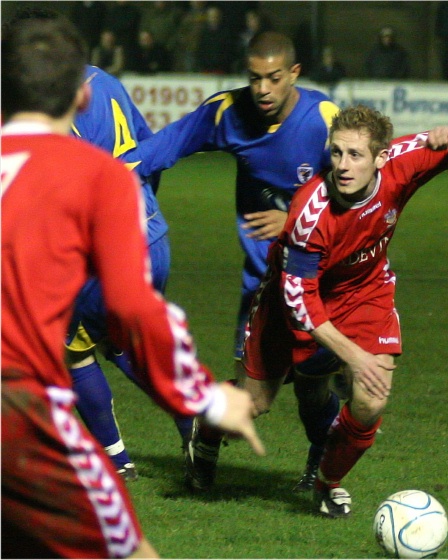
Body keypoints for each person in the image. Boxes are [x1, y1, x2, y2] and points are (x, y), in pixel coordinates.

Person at [1, 15, 264, 559]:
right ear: (80, 95)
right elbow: (135, 307)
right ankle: (170, 435)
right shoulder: (97, 177)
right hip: (21, 413)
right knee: (131, 550)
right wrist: (208, 398)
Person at [239, 105, 448, 517]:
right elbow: (298, 302)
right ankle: (204, 432)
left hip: (365, 292)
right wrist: (354, 356)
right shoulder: (311, 213)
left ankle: (327, 481)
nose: (343, 166)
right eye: (337, 153)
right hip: (292, 305)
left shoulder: (403, 160)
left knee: (371, 401)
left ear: (381, 158)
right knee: (253, 405)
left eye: (356, 155)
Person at [119, 31, 340, 493]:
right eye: (255, 78)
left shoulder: (323, 120)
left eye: (273, 78)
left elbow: (358, 192)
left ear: (294, 74)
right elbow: (159, 150)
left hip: (321, 282)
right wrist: (95, 177)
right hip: (265, 286)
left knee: (314, 383)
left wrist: (295, 219)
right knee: (254, 399)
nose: (262, 89)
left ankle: (322, 472)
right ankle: (205, 439)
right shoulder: (228, 112)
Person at [67, 62, 179, 481]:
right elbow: (150, 153)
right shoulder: (106, 80)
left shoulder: (44, 103)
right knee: (121, 343)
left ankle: (117, 462)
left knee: (73, 351)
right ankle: (192, 425)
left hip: (108, 252)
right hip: (154, 237)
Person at [195, 5, 234, 74]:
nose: (213, 18)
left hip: (221, 70)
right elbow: (200, 51)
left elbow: (229, 51)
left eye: (216, 16)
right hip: (206, 69)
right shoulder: (203, 34)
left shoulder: (226, 33)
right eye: (211, 16)